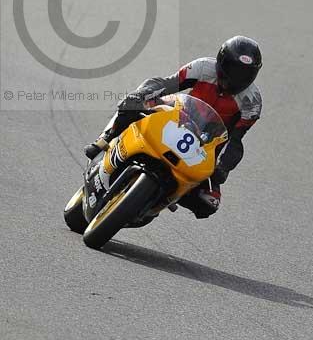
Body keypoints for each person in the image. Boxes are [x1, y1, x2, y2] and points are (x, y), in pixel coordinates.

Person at [84, 36, 262, 219]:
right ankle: (106, 138)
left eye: (244, 74)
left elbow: (235, 140)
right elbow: (166, 84)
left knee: (208, 203)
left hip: (208, 143)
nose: (235, 78)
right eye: (233, 69)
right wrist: (141, 95)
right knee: (133, 104)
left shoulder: (252, 102)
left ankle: (162, 198)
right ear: (221, 61)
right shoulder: (202, 67)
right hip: (180, 114)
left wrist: (223, 167)